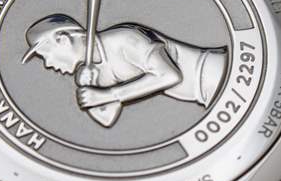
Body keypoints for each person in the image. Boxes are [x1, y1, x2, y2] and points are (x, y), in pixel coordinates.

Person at [21, 14, 227, 122]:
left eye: (46, 54)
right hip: (203, 95)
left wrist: (108, 94)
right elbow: (106, 118)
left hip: (217, 74)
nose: (47, 64)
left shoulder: (125, 38)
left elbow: (169, 75)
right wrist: (92, 88)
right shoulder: (92, 70)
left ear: (63, 40)